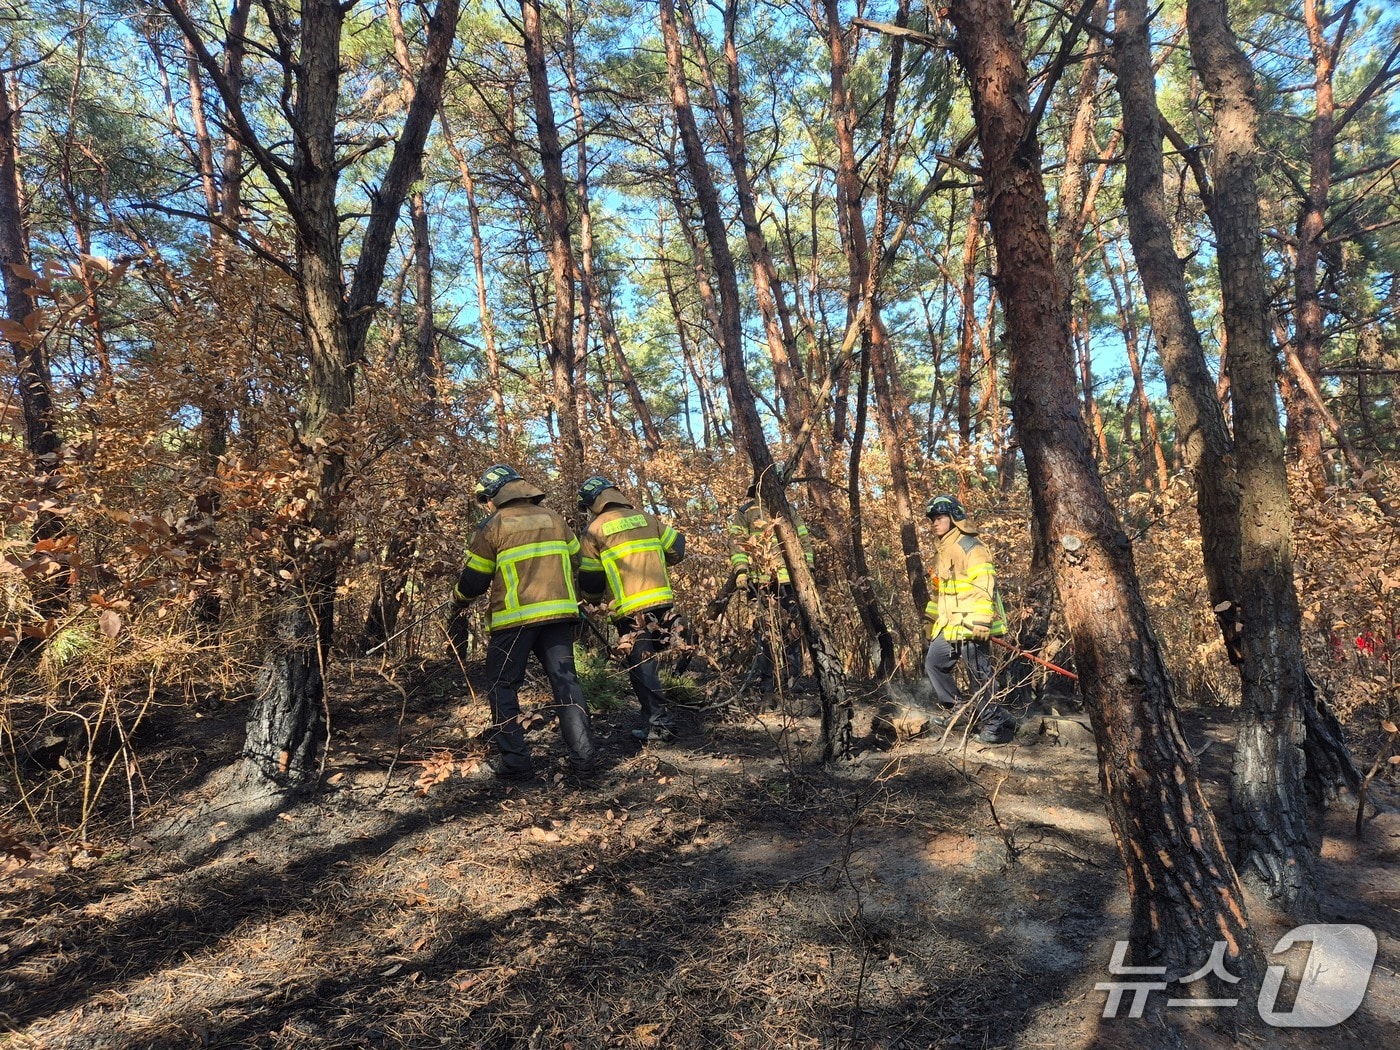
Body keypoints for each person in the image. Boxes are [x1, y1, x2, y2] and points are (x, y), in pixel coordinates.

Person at [451, 464, 599, 779]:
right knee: (566, 683)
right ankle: (585, 760)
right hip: (559, 617)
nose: (485, 506)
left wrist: (458, 599)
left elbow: (474, 582)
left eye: (485, 499)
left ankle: (517, 763)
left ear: (494, 495)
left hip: (514, 622)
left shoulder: (493, 526)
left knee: (502, 685)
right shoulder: (555, 519)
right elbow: (578, 558)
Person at [576, 475, 686, 744]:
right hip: (662, 603)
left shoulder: (594, 530)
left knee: (641, 667)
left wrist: (592, 602)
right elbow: (678, 547)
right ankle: (658, 718)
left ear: (593, 503)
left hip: (630, 609)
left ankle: (659, 725)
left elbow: (591, 579)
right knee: (656, 661)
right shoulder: (647, 518)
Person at [922, 493, 1016, 744]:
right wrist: (930, 622)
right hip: (949, 626)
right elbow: (937, 591)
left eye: (939, 517)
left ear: (955, 518)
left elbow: (985, 584)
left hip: (971, 625)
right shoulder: (941, 552)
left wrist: (983, 621)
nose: (934, 522)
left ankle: (995, 725)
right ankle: (957, 711)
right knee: (934, 663)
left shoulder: (971, 547)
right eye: (932, 519)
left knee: (979, 675)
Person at [728, 465, 815, 697]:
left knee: (792, 631)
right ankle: (766, 683)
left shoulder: (788, 511)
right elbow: (737, 542)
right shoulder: (746, 512)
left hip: (789, 583)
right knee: (764, 633)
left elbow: (804, 540)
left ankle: (791, 681)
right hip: (759, 582)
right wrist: (741, 571)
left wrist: (809, 569)